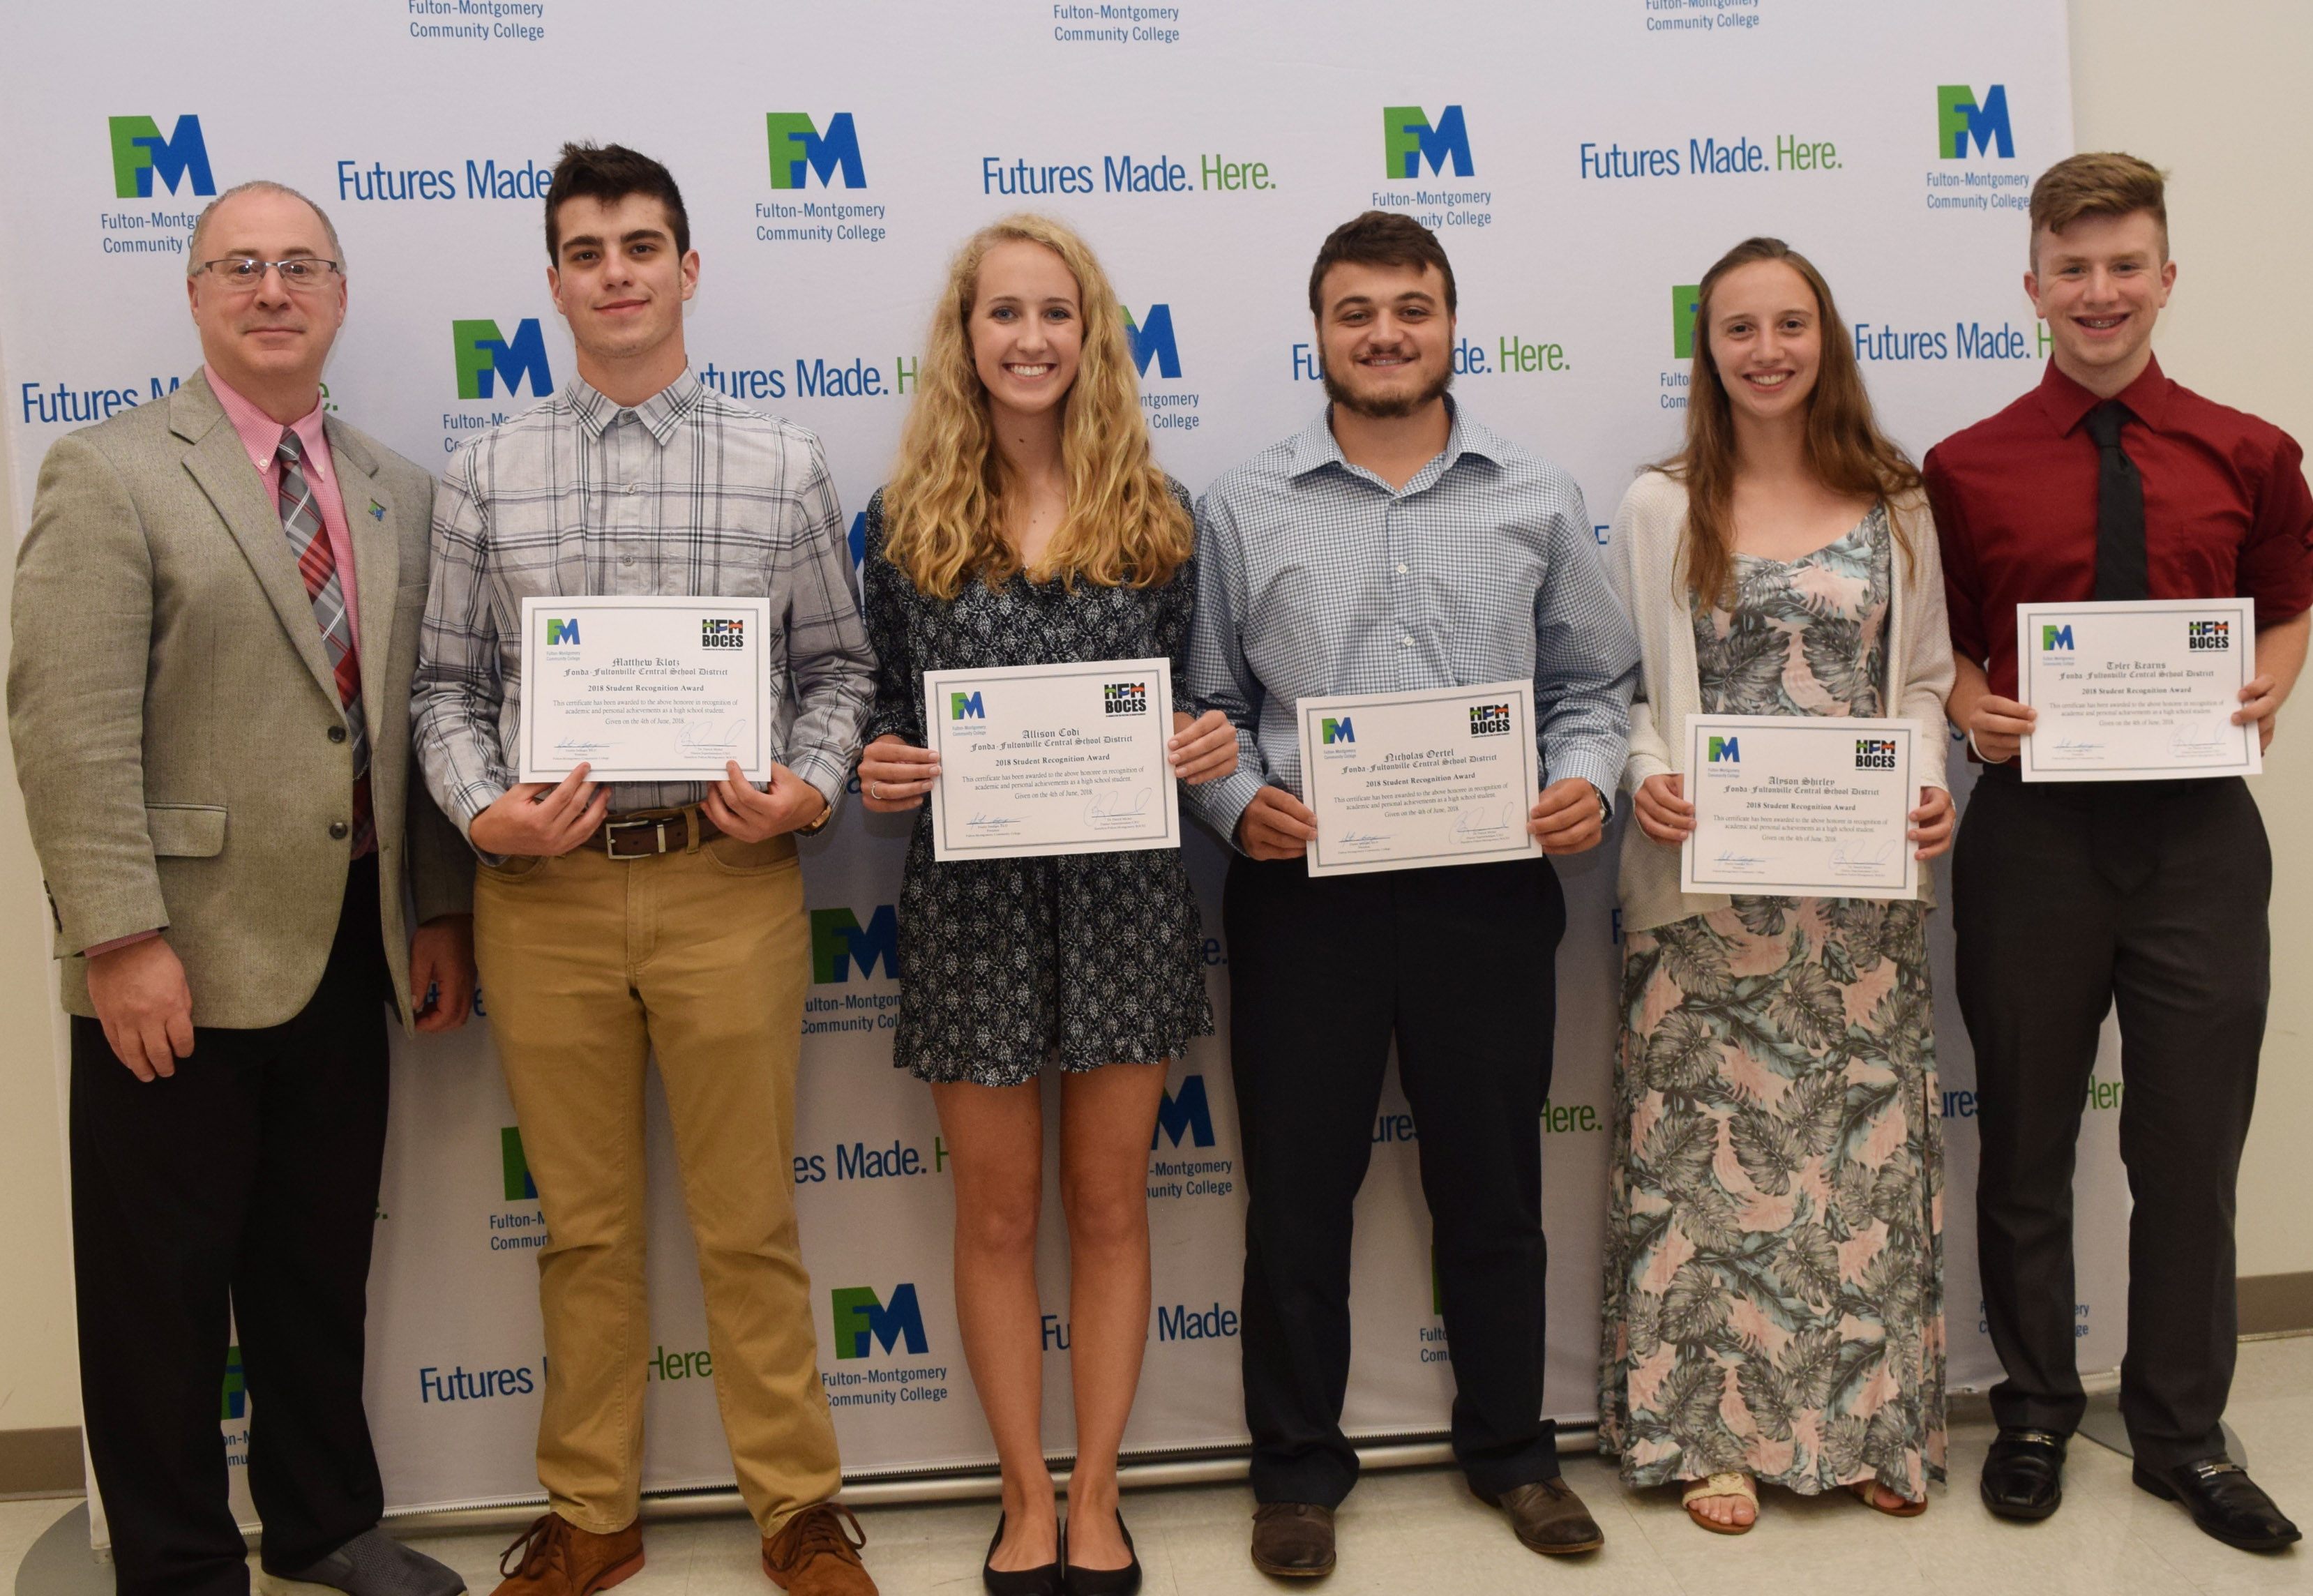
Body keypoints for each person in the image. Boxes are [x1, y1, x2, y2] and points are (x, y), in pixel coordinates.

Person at [409, 143, 879, 1596]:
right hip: (540, 901)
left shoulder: (779, 459)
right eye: (586, 250)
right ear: (553, 279)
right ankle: (591, 1513)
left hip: (723, 884)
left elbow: (838, 667)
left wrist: (806, 785)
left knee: (748, 1219)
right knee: (584, 1228)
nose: (615, 272)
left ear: (687, 268)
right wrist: (487, 815)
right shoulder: (486, 467)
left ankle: (797, 1507)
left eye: (640, 245)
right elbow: (442, 690)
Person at [8, 181, 477, 1596]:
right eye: (240, 267)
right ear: (199, 294)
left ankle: (326, 1517)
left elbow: (412, 719)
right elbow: (65, 720)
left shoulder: (398, 482)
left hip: (351, 935)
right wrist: (120, 933)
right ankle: (174, 1556)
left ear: (337, 296)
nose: (271, 290)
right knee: (159, 1286)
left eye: (299, 267)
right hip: (178, 955)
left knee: (314, 1260)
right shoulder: (110, 469)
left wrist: (440, 905)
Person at [1184, 211, 1638, 1578]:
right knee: (1297, 1201)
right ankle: (1295, 1472)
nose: (1384, 333)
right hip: (1300, 895)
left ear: (1452, 323)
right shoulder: (1240, 503)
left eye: (1411, 307)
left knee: (1492, 1191)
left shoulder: (1536, 495)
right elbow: (1208, 700)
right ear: (1315, 331)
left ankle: (1512, 1452)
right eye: (1354, 310)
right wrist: (1228, 804)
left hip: (1486, 896)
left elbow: (1594, 686)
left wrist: (1584, 783)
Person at [1925, 152, 2307, 1552]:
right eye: (2070, 269)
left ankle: (2178, 1435)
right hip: (2032, 836)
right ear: (2029, 285)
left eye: (2122, 264)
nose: (2098, 292)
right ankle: (2031, 1406)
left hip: (2200, 839)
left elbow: (2282, 602)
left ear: (2162, 275)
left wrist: (2273, 675)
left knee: (2187, 1148)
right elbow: (1950, 648)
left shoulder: (2250, 448)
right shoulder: (1960, 466)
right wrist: (1969, 700)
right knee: (2022, 1137)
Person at [854, 213, 1237, 1596]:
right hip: (970, 911)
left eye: (1053, 313)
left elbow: (1206, 704)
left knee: (1113, 1208)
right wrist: (881, 764)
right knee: (1000, 1221)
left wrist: (1204, 740)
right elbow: (884, 721)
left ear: (1092, 336)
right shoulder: (901, 526)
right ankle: (1022, 1496)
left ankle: (1097, 1492)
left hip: (1126, 900)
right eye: (1001, 313)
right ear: (965, 339)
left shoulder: (1160, 512)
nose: (1028, 338)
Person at [1596, 237, 1955, 1535]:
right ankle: (1714, 1436)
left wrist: (1924, 784)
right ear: (1709, 349)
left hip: (1856, 896)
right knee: (1714, 1174)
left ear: (1826, 338)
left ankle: (1866, 1429)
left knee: (1854, 1166)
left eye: (1790, 325)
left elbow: (1921, 681)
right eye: (1739, 329)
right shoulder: (1657, 503)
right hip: (1706, 897)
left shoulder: (1897, 501)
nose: (1767, 351)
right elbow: (1627, 687)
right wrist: (1644, 774)